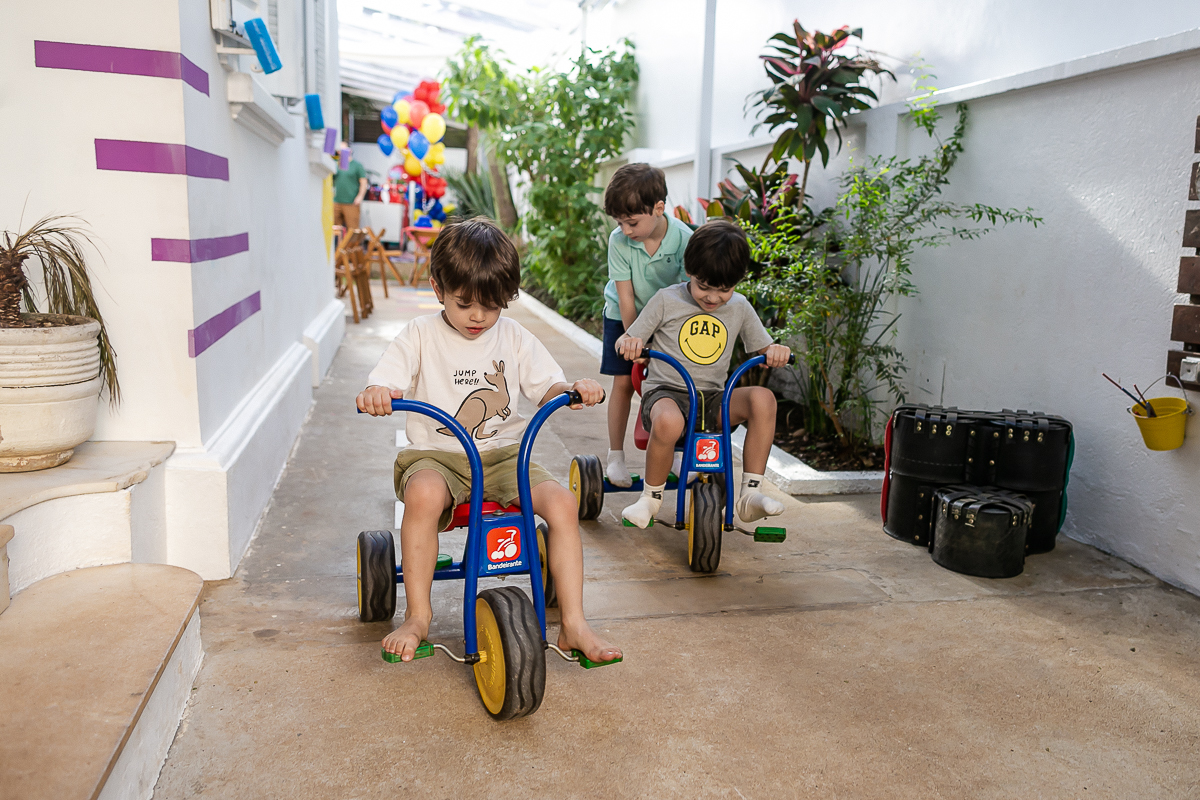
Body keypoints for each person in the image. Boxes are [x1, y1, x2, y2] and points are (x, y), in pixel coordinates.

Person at [357, 217, 622, 666]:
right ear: (439, 288)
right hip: (437, 457)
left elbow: (547, 387)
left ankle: (574, 622)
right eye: (464, 304)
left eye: (492, 306)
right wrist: (379, 392)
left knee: (561, 503)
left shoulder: (514, 337)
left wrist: (571, 391)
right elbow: (387, 379)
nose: (478, 316)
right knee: (422, 496)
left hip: (503, 457)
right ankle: (418, 614)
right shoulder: (419, 335)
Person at [615, 220, 791, 529]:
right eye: (703, 287)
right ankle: (651, 498)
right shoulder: (667, 300)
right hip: (666, 394)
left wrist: (775, 351)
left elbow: (764, 348)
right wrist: (629, 343)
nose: (712, 298)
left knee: (763, 399)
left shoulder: (739, 307)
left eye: (724, 290)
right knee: (668, 421)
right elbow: (628, 338)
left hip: (712, 399)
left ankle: (750, 495)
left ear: (737, 282)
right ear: (689, 272)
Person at [599, 163, 693, 489]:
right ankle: (615, 457)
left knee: (677, 383)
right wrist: (634, 339)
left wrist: (659, 336)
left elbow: (687, 297)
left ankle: (679, 454)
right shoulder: (619, 242)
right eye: (620, 222)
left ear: (658, 208)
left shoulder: (684, 240)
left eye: (632, 222)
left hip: (669, 322)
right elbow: (626, 297)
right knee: (624, 383)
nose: (625, 229)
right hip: (623, 317)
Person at [332, 142, 369, 230]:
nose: (341, 152)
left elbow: (363, 182)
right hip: (336, 201)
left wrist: (360, 197)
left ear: (350, 150)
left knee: (352, 230)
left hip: (351, 202)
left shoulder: (356, 165)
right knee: (335, 230)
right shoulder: (336, 164)